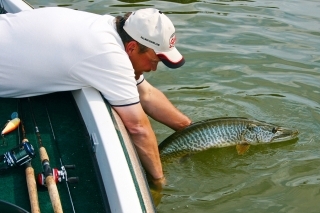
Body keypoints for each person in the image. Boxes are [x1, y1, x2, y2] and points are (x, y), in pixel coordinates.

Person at [0, 7, 191, 188]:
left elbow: (146, 94)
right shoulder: (109, 56)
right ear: (132, 47)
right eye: (154, 61)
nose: (154, 69)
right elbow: (138, 127)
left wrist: (187, 129)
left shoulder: (107, 28)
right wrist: (159, 181)